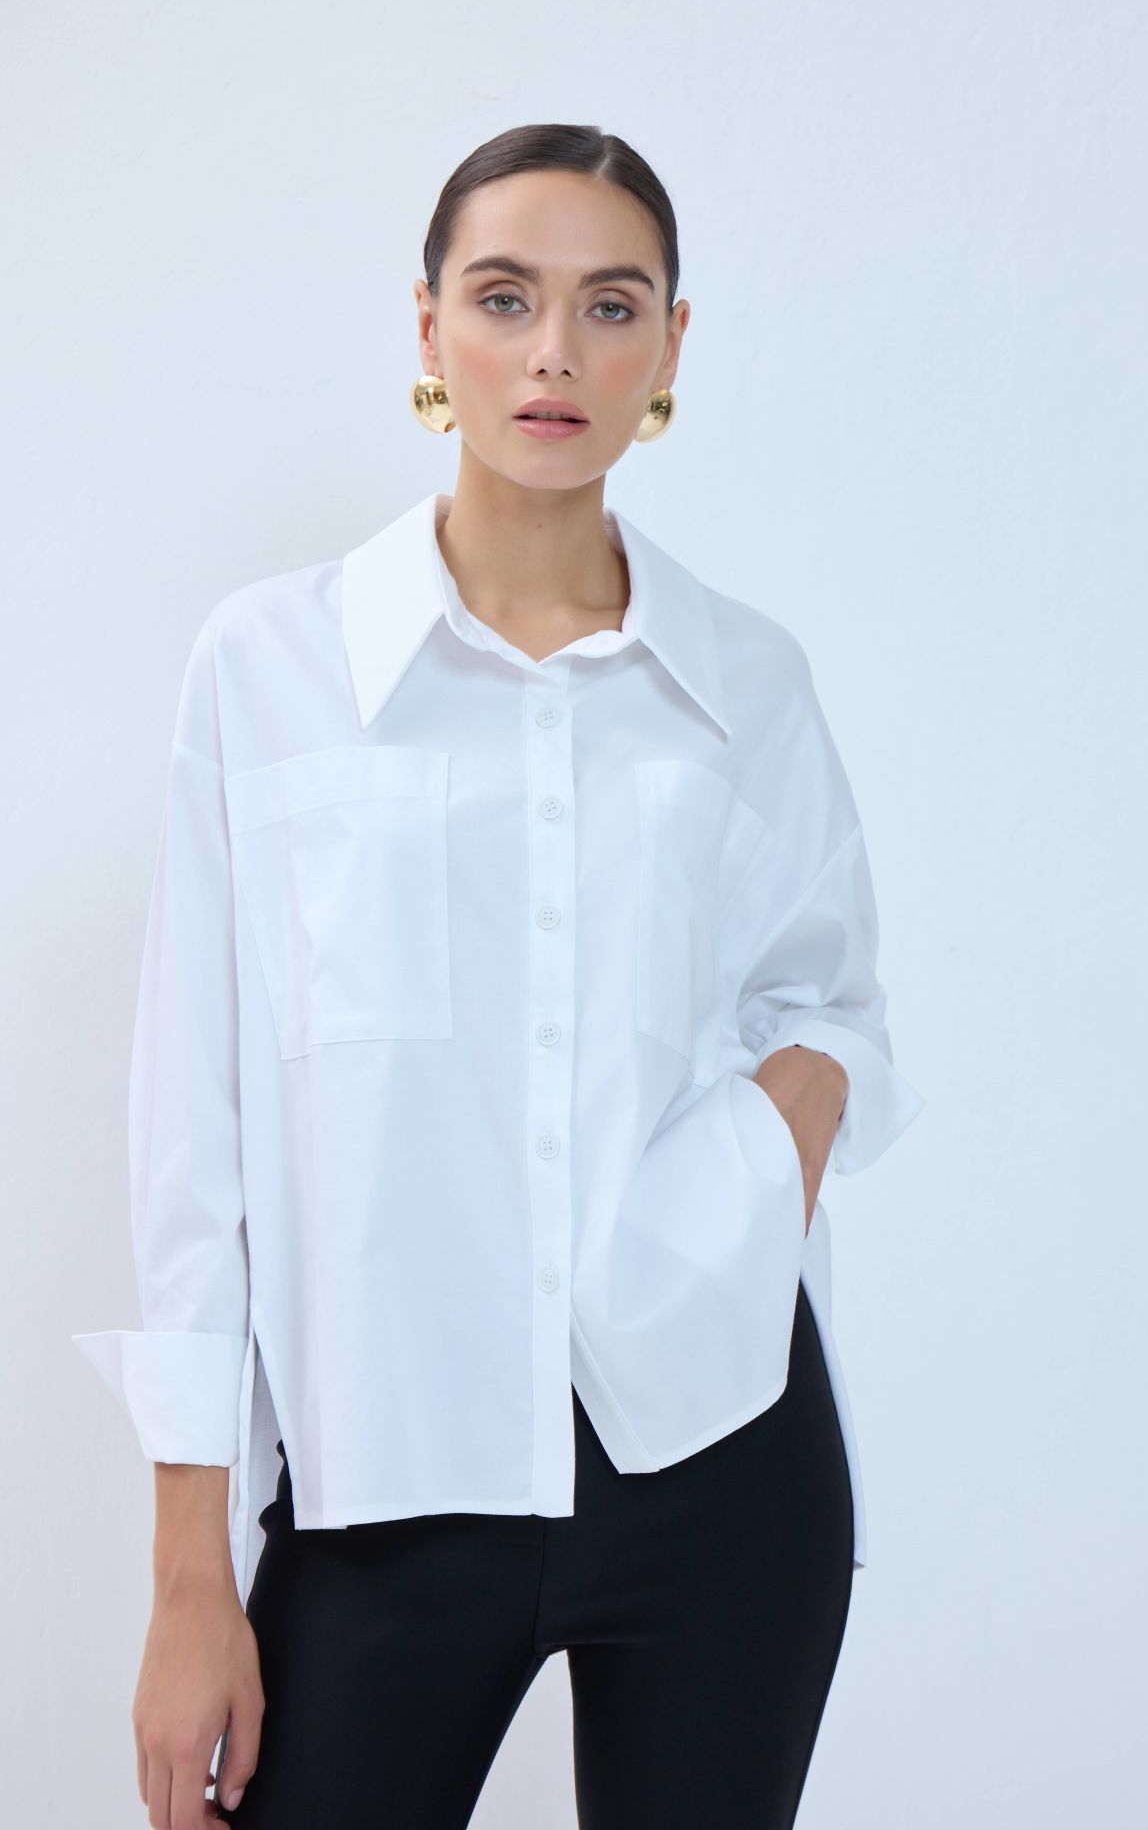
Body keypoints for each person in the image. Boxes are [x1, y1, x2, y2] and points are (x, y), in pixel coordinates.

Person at [71, 122, 925, 1830]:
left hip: (718, 1453)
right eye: (506, 297)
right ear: (428, 326)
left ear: (671, 346)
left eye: (611, 306)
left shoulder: (747, 681)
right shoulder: (270, 665)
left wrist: (770, 1140)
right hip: (390, 1477)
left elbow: (832, 1004)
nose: (554, 355)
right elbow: (194, 1136)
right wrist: (188, 1580)